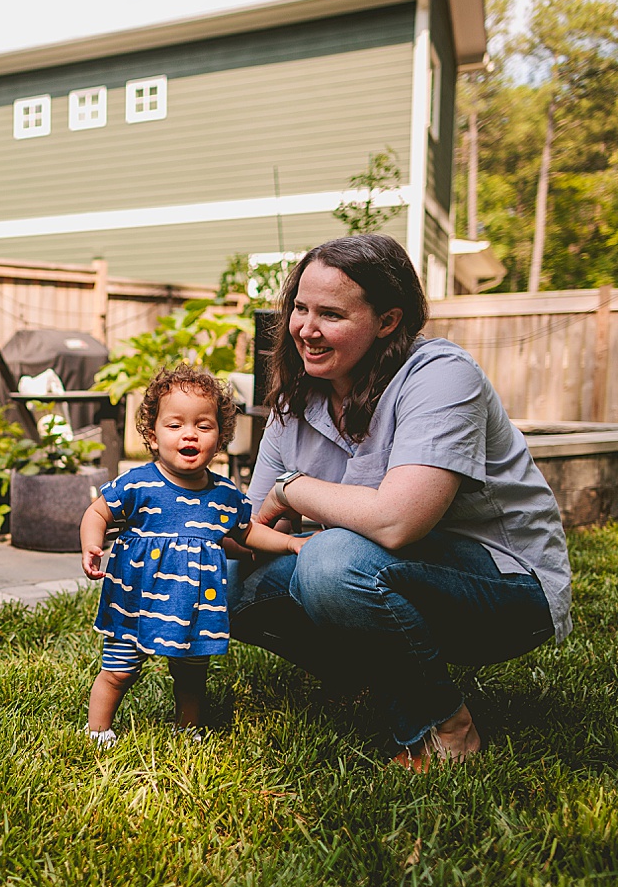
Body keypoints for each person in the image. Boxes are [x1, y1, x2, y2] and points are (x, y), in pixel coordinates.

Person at [233, 233, 570, 770]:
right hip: (381, 572)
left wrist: (289, 488)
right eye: (299, 308)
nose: (306, 329)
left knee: (330, 562)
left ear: (388, 321)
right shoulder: (297, 402)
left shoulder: (440, 377)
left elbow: (398, 524)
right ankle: (378, 673)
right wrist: (170, 545)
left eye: (331, 314)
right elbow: (250, 528)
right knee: (226, 578)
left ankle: (445, 726)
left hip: (503, 586)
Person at [79, 364, 301, 746]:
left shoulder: (224, 494)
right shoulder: (139, 483)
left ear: (220, 436)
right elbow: (98, 511)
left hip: (193, 603)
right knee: (120, 669)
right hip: (136, 598)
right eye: (175, 425)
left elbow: (247, 532)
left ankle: (189, 728)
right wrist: (92, 543)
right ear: (152, 434)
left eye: (203, 425)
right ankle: (98, 729)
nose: (189, 434)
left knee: (192, 671)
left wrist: (291, 544)